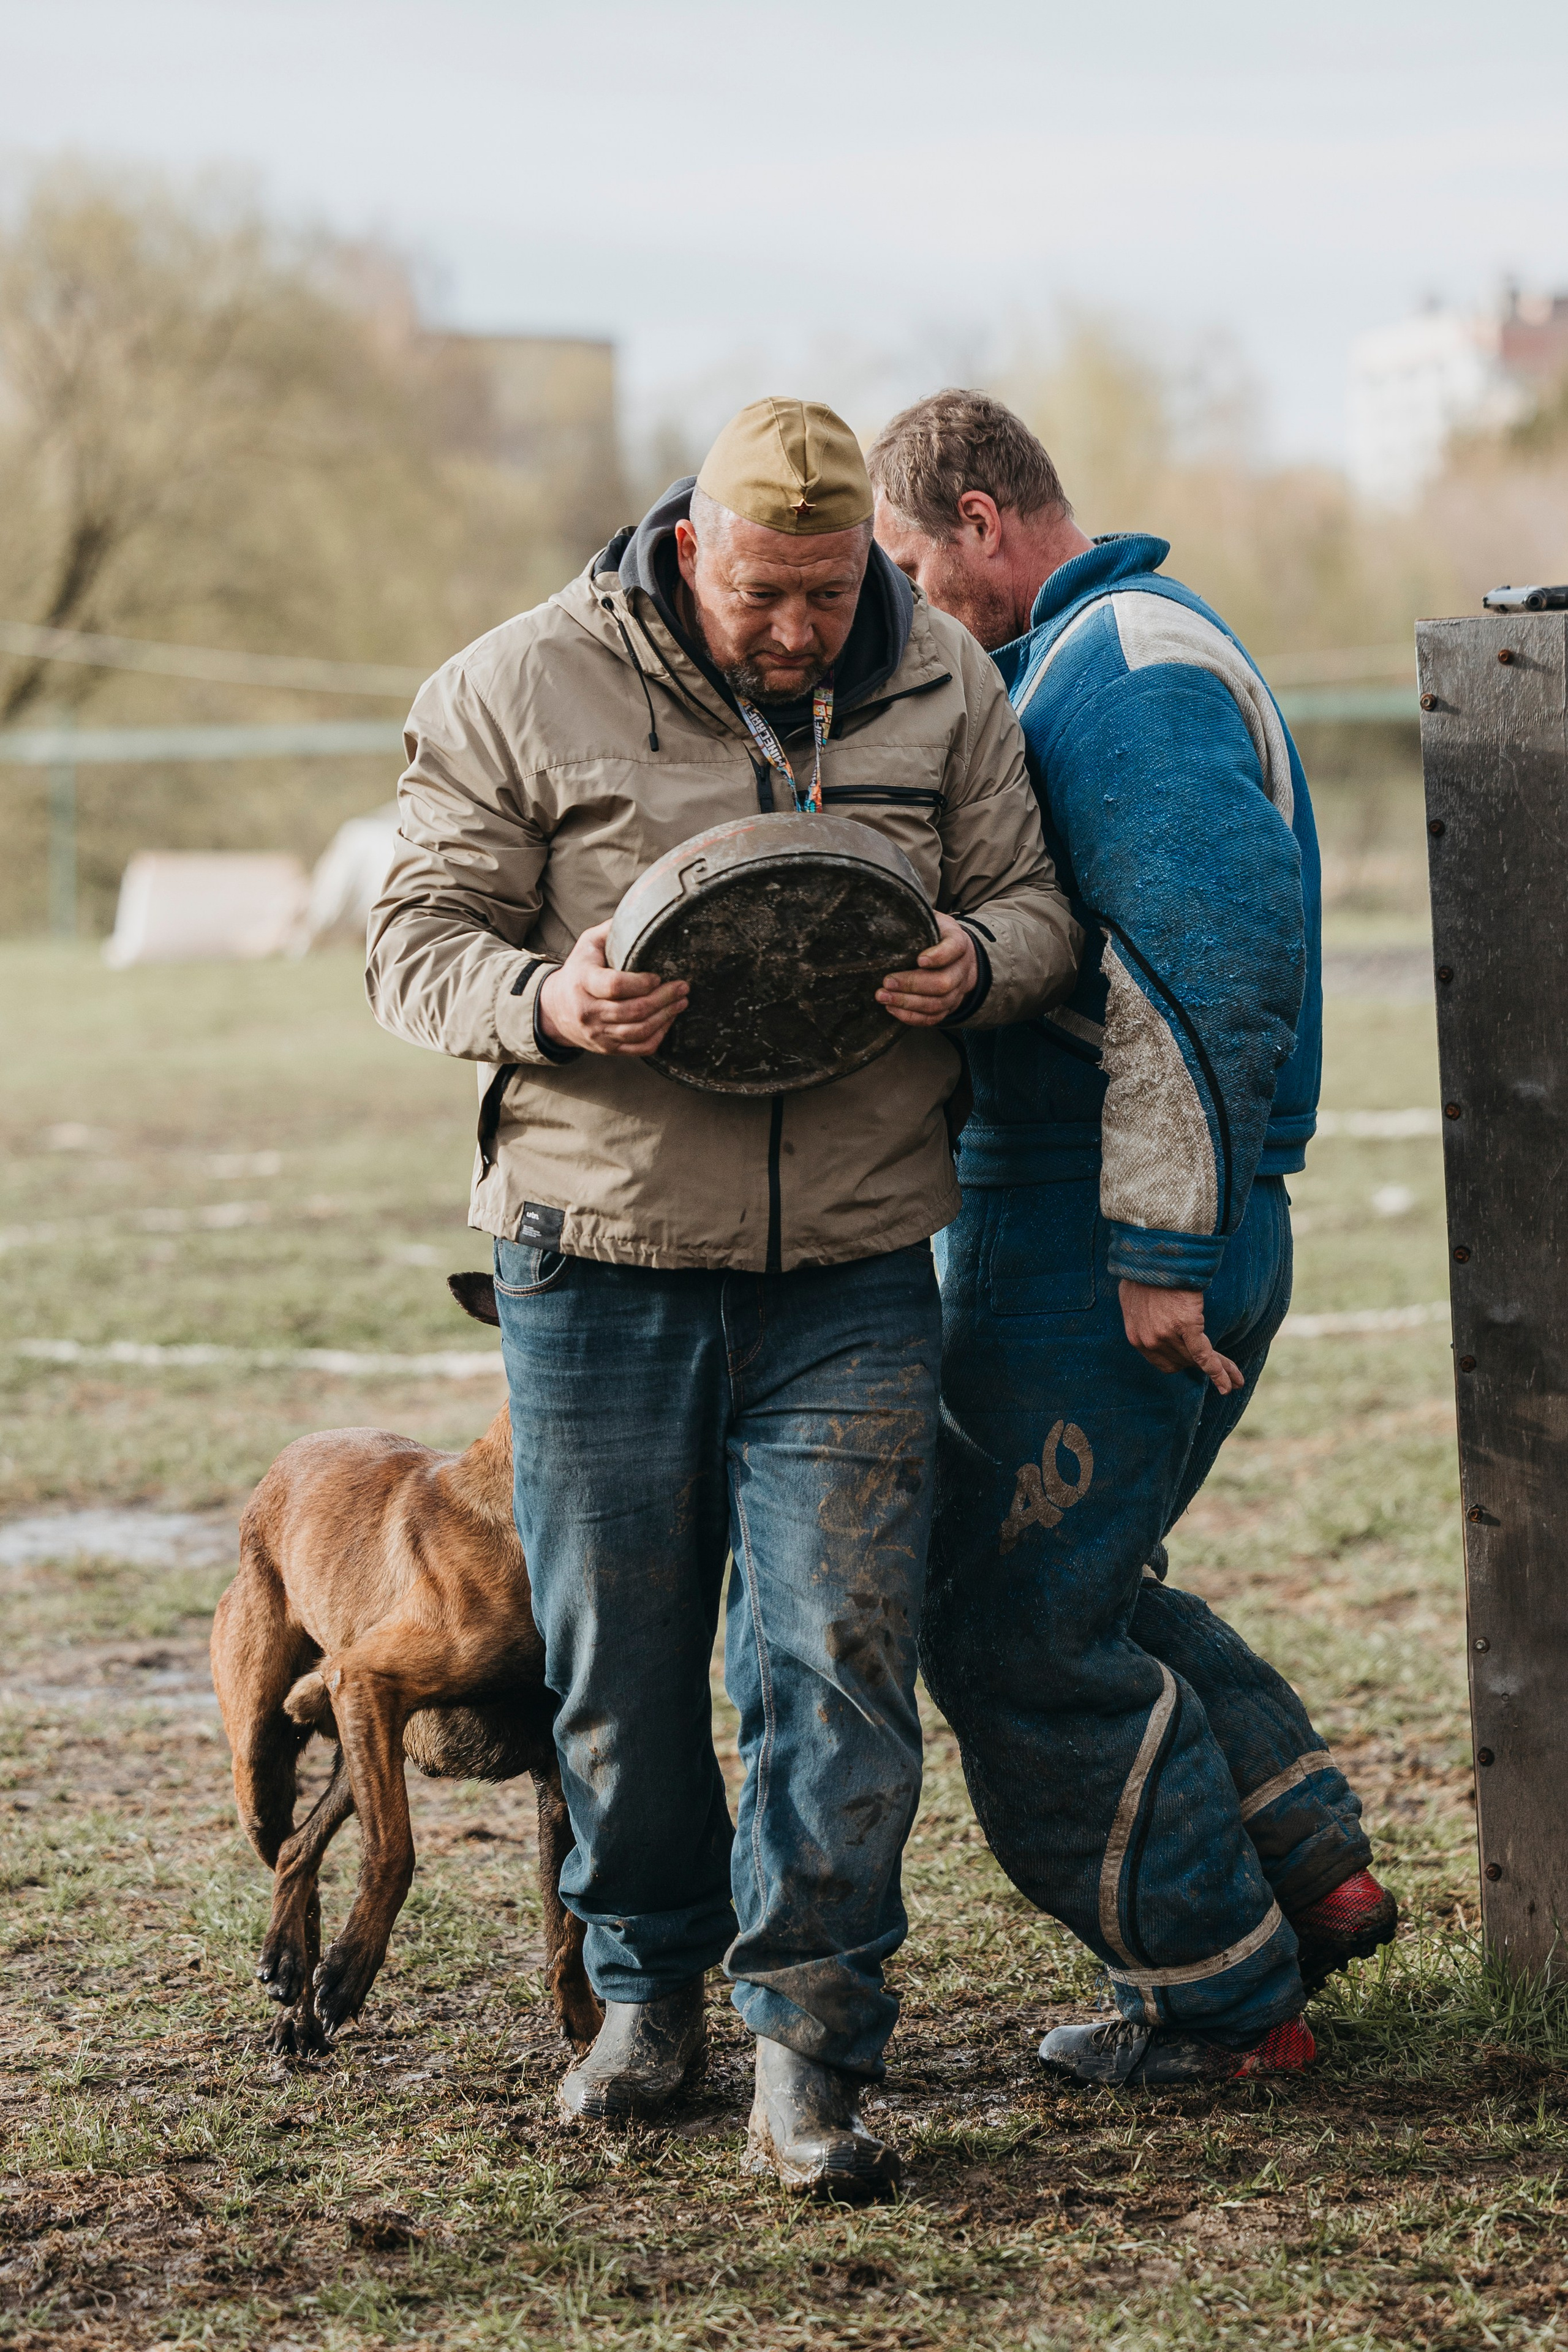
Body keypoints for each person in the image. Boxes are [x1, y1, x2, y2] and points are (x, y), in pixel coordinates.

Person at [366, 399, 1078, 2187]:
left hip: (850, 1264)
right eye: (766, 591)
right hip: (595, 1265)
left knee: (834, 1661)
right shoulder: (517, 684)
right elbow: (412, 943)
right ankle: (646, 1992)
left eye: (832, 594)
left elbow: (1039, 907)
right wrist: (547, 1002)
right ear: (691, 547)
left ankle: (813, 2047)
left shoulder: (947, 690)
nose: (799, 629)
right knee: (615, 1668)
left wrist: (977, 960)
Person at [866, 389, 1398, 2089]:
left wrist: (1159, 1244)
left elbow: (1201, 960)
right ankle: (1308, 1868)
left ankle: (1223, 2008)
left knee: (1014, 1632)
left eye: (901, 568)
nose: (901, 608)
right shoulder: (1083, 654)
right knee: (1077, 1589)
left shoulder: (1131, 665)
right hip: (1097, 1214)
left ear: (978, 520)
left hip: (1114, 1230)